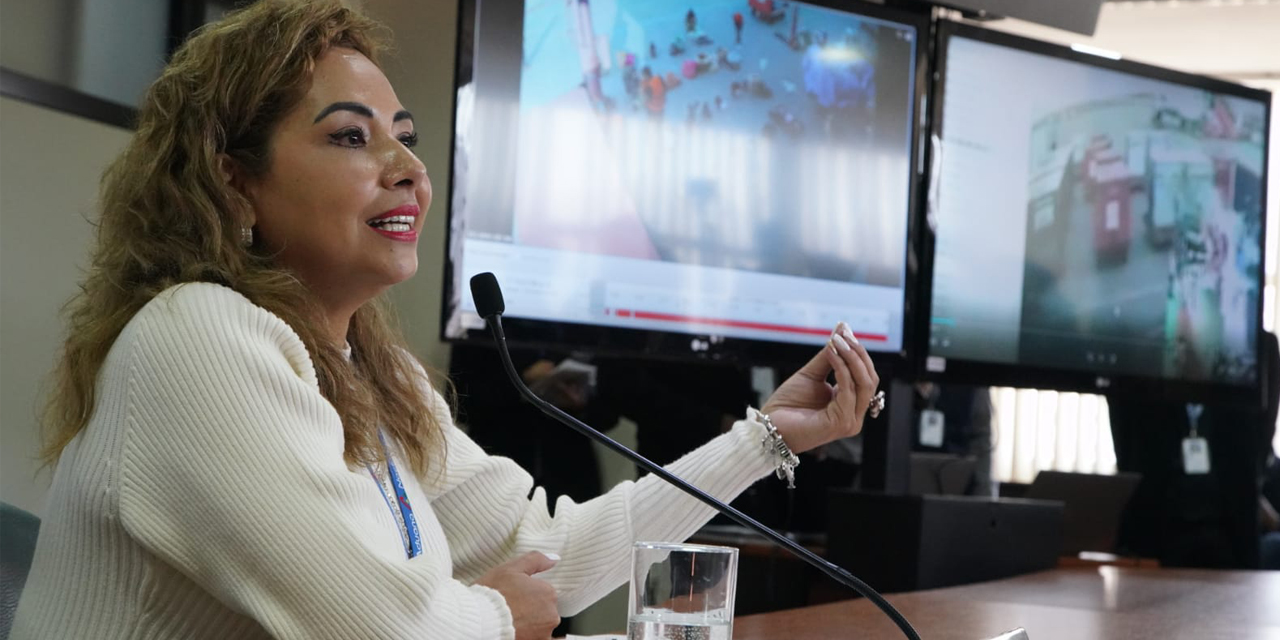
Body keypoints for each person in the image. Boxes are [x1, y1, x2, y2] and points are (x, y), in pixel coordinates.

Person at [11, 2, 883, 639]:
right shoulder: (197, 337)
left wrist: (768, 438)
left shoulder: (369, 376)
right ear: (232, 179)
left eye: (406, 136)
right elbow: (386, 631)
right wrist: (497, 615)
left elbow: (554, 554)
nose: (409, 171)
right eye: (351, 138)